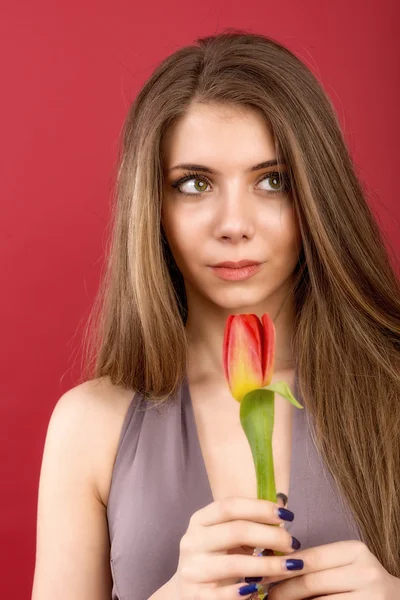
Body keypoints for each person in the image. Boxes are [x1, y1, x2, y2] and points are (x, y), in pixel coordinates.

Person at [31, 29, 400, 600]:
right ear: (151, 205)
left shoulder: (392, 389)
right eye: (195, 184)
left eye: (272, 181)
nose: (234, 223)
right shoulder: (89, 426)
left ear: (317, 196)